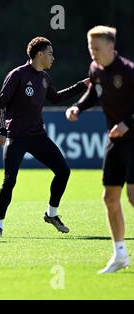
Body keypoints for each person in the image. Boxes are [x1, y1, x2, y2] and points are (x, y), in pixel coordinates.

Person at [0, 37, 89, 239]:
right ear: (40, 54)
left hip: (37, 136)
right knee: (9, 181)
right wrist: (1, 130)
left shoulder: (44, 77)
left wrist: (81, 85)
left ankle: (51, 214)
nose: (53, 57)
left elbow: (56, 97)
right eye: (51, 53)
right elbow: (0, 105)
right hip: (16, 137)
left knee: (63, 171)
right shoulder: (17, 75)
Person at [66, 26, 134, 274]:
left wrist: (128, 123)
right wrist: (78, 108)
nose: (92, 52)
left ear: (110, 47)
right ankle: (120, 255)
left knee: (133, 197)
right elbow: (94, 93)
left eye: (96, 48)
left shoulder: (128, 71)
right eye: (89, 47)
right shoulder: (95, 69)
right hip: (114, 140)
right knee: (109, 197)